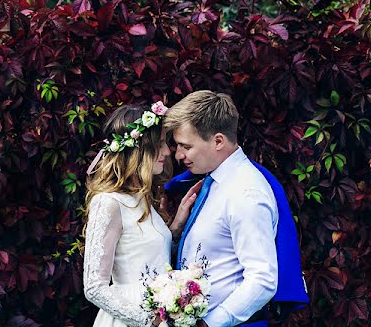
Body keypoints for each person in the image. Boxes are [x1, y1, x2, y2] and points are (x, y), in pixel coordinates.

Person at [83, 102, 204, 327]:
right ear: (138, 149)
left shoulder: (144, 199)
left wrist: (175, 228)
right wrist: (149, 321)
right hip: (131, 318)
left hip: (160, 312)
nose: (167, 152)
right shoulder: (109, 202)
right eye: (159, 144)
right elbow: (94, 287)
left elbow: (147, 257)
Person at [164, 90, 278, 327]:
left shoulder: (246, 192)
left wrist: (210, 323)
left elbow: (263, 278)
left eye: (186, 146)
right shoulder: (214, 181)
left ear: (218, 141)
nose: (178, 155)